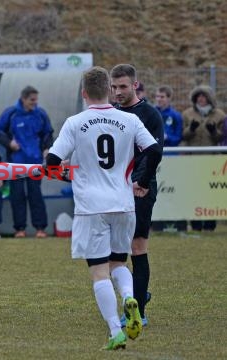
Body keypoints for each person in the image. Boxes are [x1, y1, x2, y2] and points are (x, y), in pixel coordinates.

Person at [47, 66, 162, 350]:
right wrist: (143, 180)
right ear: (109, 90)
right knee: (119, 263)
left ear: (84, 93)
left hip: (91, 207)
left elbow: (52, 161)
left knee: (99, 271)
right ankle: (129, 297)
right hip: (124, 204)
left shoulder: (75, 122)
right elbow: (155, 149)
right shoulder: (128, 120)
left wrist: (63, 173)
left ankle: (114, 331)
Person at [111, 64, 165, 328]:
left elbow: (153, 153)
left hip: (140, 187)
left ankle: (139, 311)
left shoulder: (150, 115)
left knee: (137, 247)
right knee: (116, 250)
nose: (118, 92)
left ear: (135, 85)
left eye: (123, 86)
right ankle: (137, 292)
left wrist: (140, 182)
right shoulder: (112, 114)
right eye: (114, 87)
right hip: (115, 188)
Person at [0, 86, 53, 238]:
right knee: (17, 195)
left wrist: (46, 148)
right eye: (32, 100)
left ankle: (40, 228)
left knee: (35, 194)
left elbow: (48, 133)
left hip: (35, 162)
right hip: (16, 162)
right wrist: (9, 143)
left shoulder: (40, 114)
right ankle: (20, 229)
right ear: (24, 99)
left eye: (36, 100)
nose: (35, 103)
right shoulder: (11, 113)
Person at [181, 85, 225, 232]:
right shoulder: (187, 114)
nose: (201, 99)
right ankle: (195, 224)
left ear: (209, 98)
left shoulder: (220, 115)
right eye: (198, 96)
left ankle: (210, 224)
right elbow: (183, 136)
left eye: (204, 96)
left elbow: (221, 138)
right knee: (194, 192)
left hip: (211, 159)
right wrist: (191, 129)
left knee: (209, 193)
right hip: (193, 159)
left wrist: (213, 131)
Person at [153, 85, 186, 232]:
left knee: (170, 190)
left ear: (169, 98)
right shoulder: (151, 113)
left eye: (162, 97)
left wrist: (167, 137)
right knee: (155, 189)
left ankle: (174, 223)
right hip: (154, 156)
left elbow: (178, 137)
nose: (159, 99)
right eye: (157, 96)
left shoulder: (175, 116)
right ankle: (155, 223)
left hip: (170, 157)